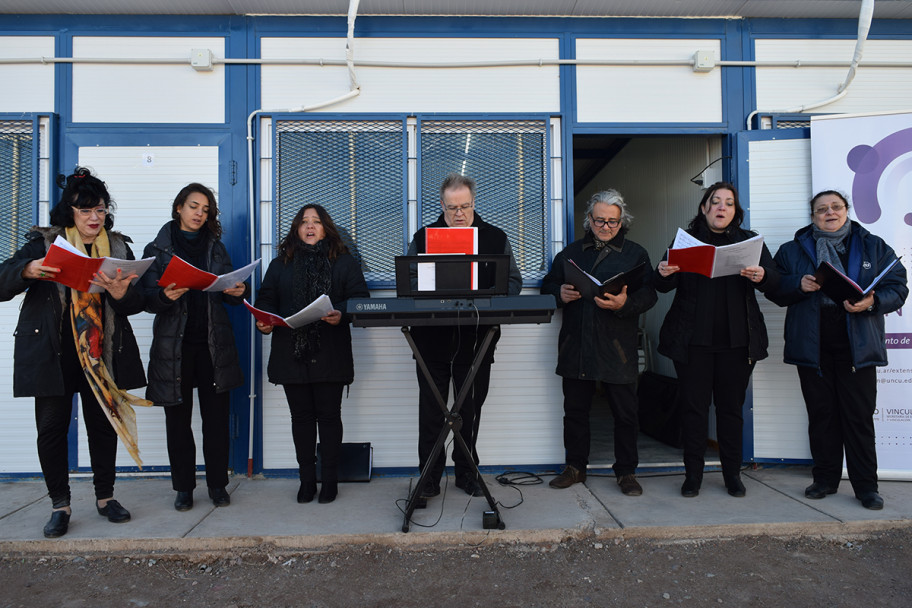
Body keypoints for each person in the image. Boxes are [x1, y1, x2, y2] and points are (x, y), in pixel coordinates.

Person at [0, 167, 149, 538]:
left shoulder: (118, 248)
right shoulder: (45, 244)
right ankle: (60, 505)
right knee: (51, 429)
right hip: (54, 354)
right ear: (71, 212)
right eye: (85, 211)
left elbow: (136, 303)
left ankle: (105, 498)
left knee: (103, 426)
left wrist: (121, 295)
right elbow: (3, 280)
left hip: (101, 352)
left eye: (99, 209)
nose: (94, 218)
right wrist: (28, 269)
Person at [766, 190, 907, 510]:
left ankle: (866, 487)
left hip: (857, 348)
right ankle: (825, 480)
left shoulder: (873, 245)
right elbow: (774, 287)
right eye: (821, 210)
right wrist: (797, 285)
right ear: (813, 216)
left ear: (846, 210)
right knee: (822, 417)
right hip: (813, 348)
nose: (829, 213)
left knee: (858, 419)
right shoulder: (791, 250)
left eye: (835, 207)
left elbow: (898, 287)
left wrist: (872, 302)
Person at [655, 181, 778, 498]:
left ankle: (732, 476)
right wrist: (662, 272)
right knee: (694, 411)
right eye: (715, 201)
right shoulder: (686, 241)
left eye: (729, 203)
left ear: (736, 212)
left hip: (737, 344)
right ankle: (692, 476)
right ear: (704, 208)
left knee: (730, 411)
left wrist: (762, 275)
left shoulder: (750, 243)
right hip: (692, 342)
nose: (722, 207)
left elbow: (775, 281)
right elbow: (661, 285)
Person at [407, 173, 522, 498]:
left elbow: (513, 280)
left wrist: (491, 299)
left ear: (474, 203)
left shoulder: (495, 237)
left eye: (465, 207)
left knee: (469, 411)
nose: (459, 214)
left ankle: (467, 474)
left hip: (477, 340)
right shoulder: (425, 237)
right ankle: (428, 479)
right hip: (431, 342)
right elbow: (410, 281)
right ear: (441, 204)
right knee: (431, 412)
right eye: (452, 207)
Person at [541, 190, 657, 495]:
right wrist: (559, 294)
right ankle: (575, 467)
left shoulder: (636, 254)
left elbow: (650, 294)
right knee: (575, 411)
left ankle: (626, 472)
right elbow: (549, 283)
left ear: (622, 222)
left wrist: (625, 304)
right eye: (599, 220)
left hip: (617, 346)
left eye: (613, 222)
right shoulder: (571, 252)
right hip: (576, 343)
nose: (606, 227)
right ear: (588, 220)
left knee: (625, 413)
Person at [141, 183, 248, 511]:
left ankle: (217, 485)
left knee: (216, 421)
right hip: (175, 350)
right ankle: (184, 488)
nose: (199, 213)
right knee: (178, 423)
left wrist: (238, 291)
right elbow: (144, 298)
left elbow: (231, 289)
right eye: (193, 206)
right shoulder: (158, 249)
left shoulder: (217, 249)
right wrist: (162, 296)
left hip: (213, 347)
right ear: (179, 208)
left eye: (205, 209)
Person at [254, 204, 369, 504]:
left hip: (330, 353)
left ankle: (329, 481)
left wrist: (341, 313)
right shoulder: (280, 264)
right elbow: (265, 299)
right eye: (303, 221)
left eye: (316, 222)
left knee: (330, 418)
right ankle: (307, 481)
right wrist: (264, 322)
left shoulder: (343, 263)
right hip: (291, 355)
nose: (309, 226)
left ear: (326, 228)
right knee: (301, 419)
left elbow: (360, 301)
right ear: (296, 228)